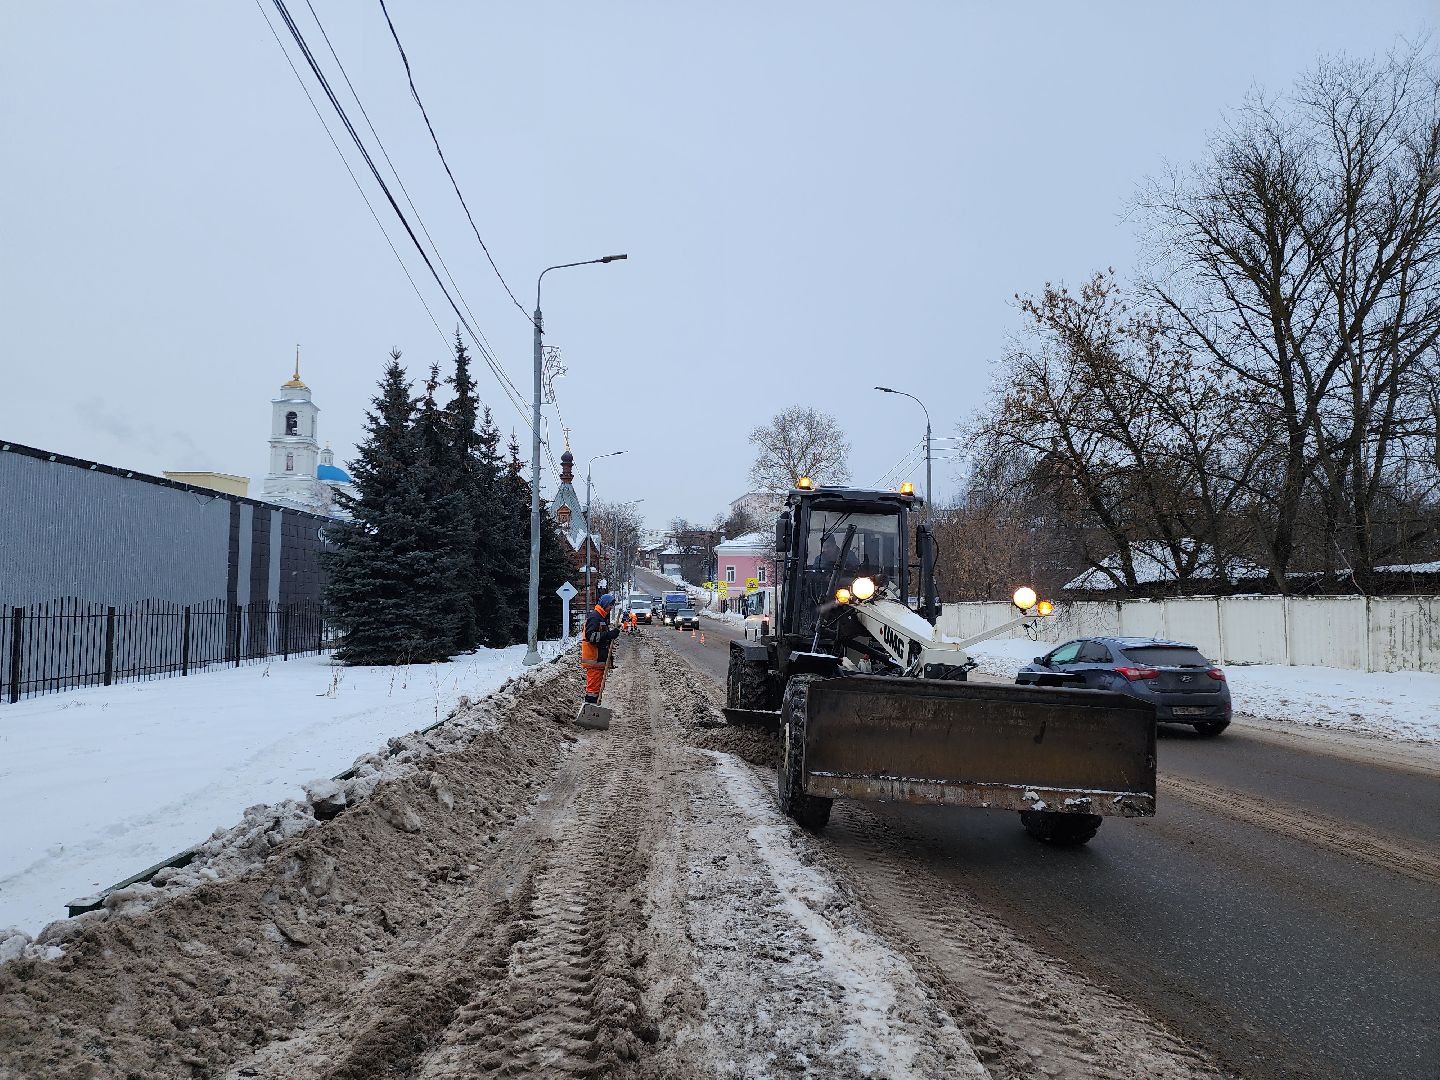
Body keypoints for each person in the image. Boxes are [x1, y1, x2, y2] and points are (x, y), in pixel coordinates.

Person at [581, 593, 621, 704]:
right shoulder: (595, 617)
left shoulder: (600, 617)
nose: (611, 608)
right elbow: (591, 636)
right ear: (605, 604)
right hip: (594, 659)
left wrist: (610, 634)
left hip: (598, 660)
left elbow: (601, 635)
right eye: (610, 605)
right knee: (592, 690)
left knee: (596, 689)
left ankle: (593, 711)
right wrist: (609, 635)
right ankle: (589, 713)